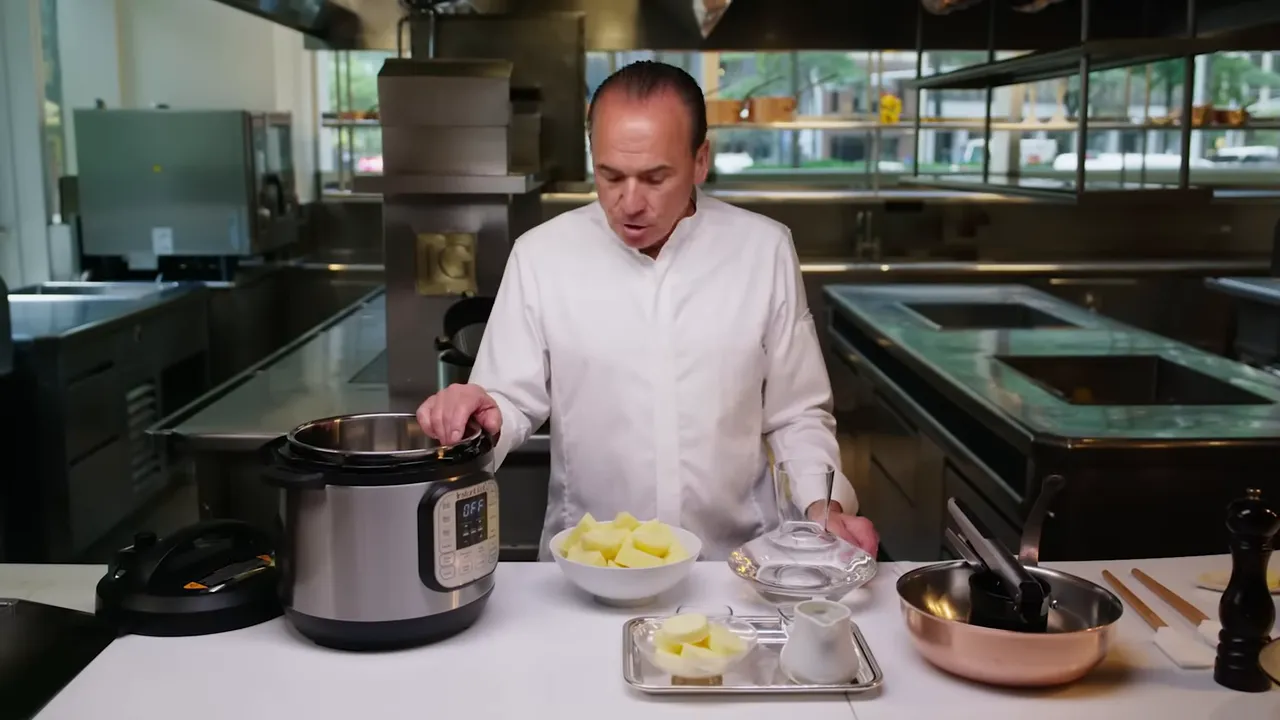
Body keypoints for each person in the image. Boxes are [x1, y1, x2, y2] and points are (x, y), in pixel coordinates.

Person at [416, 60, 878, 561]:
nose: (629, 203)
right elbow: (509, 399)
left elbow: (796, 413)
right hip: (593, 566)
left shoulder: (762, 250)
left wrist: (820, 505)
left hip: (735, 564)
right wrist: (485, 414)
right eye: (610, 175)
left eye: (655, 177)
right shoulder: (542, 255)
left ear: (701, 160)